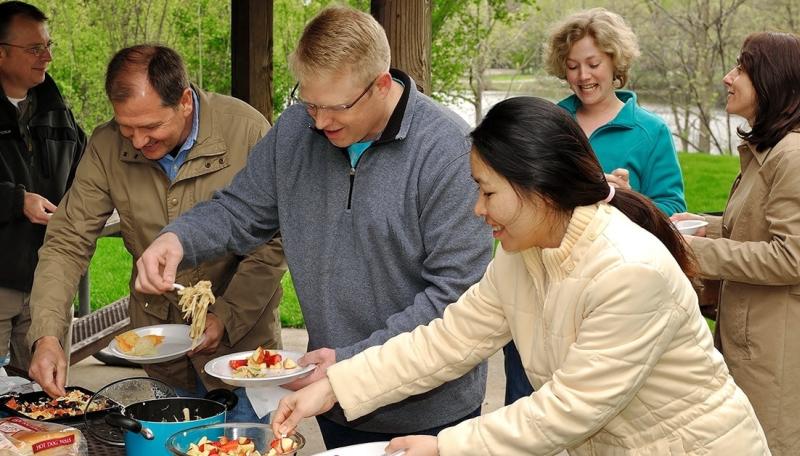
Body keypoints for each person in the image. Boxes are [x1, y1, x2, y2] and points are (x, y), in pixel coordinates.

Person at [271, 97, 771, 456]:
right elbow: (448, 339)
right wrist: (334, 386)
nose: (477, 209)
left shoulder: (629, 271)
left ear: (540, 188)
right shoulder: (523, 254)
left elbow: (566, 409)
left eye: (488, 193)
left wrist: (447, 447)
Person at [135, 6, 492, 450]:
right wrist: (178, 238)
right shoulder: (296, 132)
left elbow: (455, 297)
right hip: (332, 400)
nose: (320, 122)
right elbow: (240, 209)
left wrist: (351, 363)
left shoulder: (449, 152)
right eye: (309, 103)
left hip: (431, 412)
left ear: (381, 84)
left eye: (335, 107)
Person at [25, 44, 286, 423]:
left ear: (184, 101)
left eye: (150, 127)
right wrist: (47, 335)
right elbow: (67, 243)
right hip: (162, 352)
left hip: (242, 354)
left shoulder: (246, 130)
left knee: (248, 441)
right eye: (126, 127)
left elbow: (273, 242)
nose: (137, 142)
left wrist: (224, 318)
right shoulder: (105, 145)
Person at [494, 7, 693, 408]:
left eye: (593, 63)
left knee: (588, 407)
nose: (583, 76)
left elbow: (672, 209)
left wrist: (626, 197)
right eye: (572, 66)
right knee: (523, 405)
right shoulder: (550, 121)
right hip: (538, 283)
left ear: (615, 61)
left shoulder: (649, 131)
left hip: (606, 294)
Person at [672, 32, 800, 455]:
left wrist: (694, 250)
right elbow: (751, 230)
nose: (728, 78)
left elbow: (791, 257)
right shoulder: (769, 151)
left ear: (771, 80)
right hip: (749, 346)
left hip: (773, 359)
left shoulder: (793, 156)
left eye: (741, 68)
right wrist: (702, 226)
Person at [0, 1, 84, 375]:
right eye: (35, 48)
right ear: (1, 53)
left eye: (49, 46)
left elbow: (87, 170)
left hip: (47, 281)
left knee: (42, 395)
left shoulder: (56, 107)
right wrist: (16, 200)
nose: (47, 56)